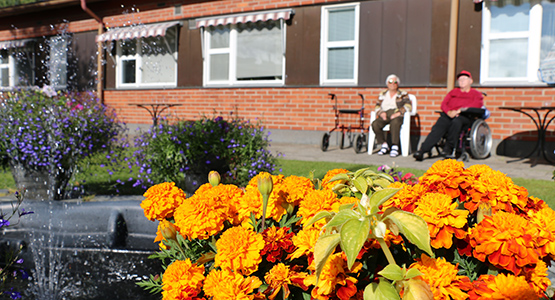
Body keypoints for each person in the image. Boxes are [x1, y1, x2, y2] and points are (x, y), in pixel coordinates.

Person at [413, 70, 484, 161]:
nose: (462, 81)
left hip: (465, 116)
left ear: (471, 81)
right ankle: (423, 150)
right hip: (449, 114)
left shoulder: (476, 94)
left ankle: (448, 149)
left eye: (464, 79)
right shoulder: (453, 92)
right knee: (439, 125)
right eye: (460, 79)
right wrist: (449, 112)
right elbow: (443, 104)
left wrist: (459, 111)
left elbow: (477, 106)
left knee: (456, 122)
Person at [371, 74, 412, 157]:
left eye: (395, 82)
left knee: (395, 123)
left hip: (396, 113)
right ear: (387, 84)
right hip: (385, 114)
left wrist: (399, 113)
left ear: (398, 84)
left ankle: (395, 146)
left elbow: (408, 106)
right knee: (375, 124)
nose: (392, 84)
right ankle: (384, 144)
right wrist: (380, 112)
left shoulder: (403, 94)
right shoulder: (382, 94)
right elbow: (377, 106)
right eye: (390, 82)